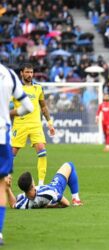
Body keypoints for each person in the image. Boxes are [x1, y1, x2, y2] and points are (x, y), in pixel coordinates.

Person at [0, 63, 34, 245]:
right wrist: (9, 112)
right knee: (1, 186)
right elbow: (28, 107)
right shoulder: (9, 74)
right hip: (2, 136)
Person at [12, 63, 55, 186]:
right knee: (11, 153)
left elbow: (43, 106)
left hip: (36, 125)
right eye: (27, 72)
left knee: (42, 150)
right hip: (20, 125)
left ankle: (41, 184)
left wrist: (50, 123)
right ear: (21, 73)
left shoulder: (38, 88)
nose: (30, 75)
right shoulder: (15, 88)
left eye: (31, 72)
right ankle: (5, 179)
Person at [5, 162, 83, 209]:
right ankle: (76, 199)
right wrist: (51, 206)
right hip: (55, 187)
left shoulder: (25, 203)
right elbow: (66, 203)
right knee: (69, 165)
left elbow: (13, 204)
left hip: (48, 189)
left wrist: (8, 188)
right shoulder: (48, 192)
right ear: (32, 185)